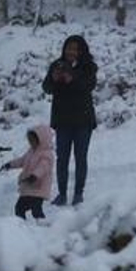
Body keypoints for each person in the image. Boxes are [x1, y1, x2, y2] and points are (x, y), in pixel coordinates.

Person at [41, 34, 97, 206]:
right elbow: (46, 88)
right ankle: (62, 194)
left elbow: (88, 86)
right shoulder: (57, 65)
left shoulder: (89, 67)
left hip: (83, 120)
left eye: (75, 49)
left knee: (81, 157)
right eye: (69, 48)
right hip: (63, 120)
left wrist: (72, 78)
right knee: (62, 158)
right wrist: (54, 78)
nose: (71, 52)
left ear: (81, 51)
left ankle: (78, 193)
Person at [5, 125, 55, 220]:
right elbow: (22, 160)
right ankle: (21, 227)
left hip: (39, 187)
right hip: (28, 186)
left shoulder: (47, 154)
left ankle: (43, 228)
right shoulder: (31, 151)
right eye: (30, 141)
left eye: (33, 141)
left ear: (41, 140)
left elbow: (43, 167)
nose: (31, 143)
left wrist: (35, 176)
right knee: (19, 208)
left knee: (36, 210)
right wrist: (10, 164)